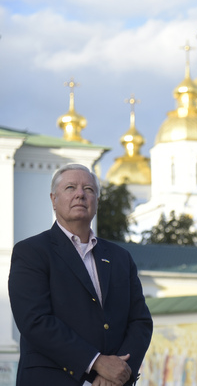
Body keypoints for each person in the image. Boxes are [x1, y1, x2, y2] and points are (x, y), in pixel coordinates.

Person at [8, 164, 153, 386]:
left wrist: (120, 372)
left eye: (89, 189)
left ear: (96, 201)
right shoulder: (32, 252)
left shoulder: (120, 257)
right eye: (70, 187)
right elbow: (35, 321)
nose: (80, 194)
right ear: (53, 199)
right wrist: (96, 362)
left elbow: (140, 321)